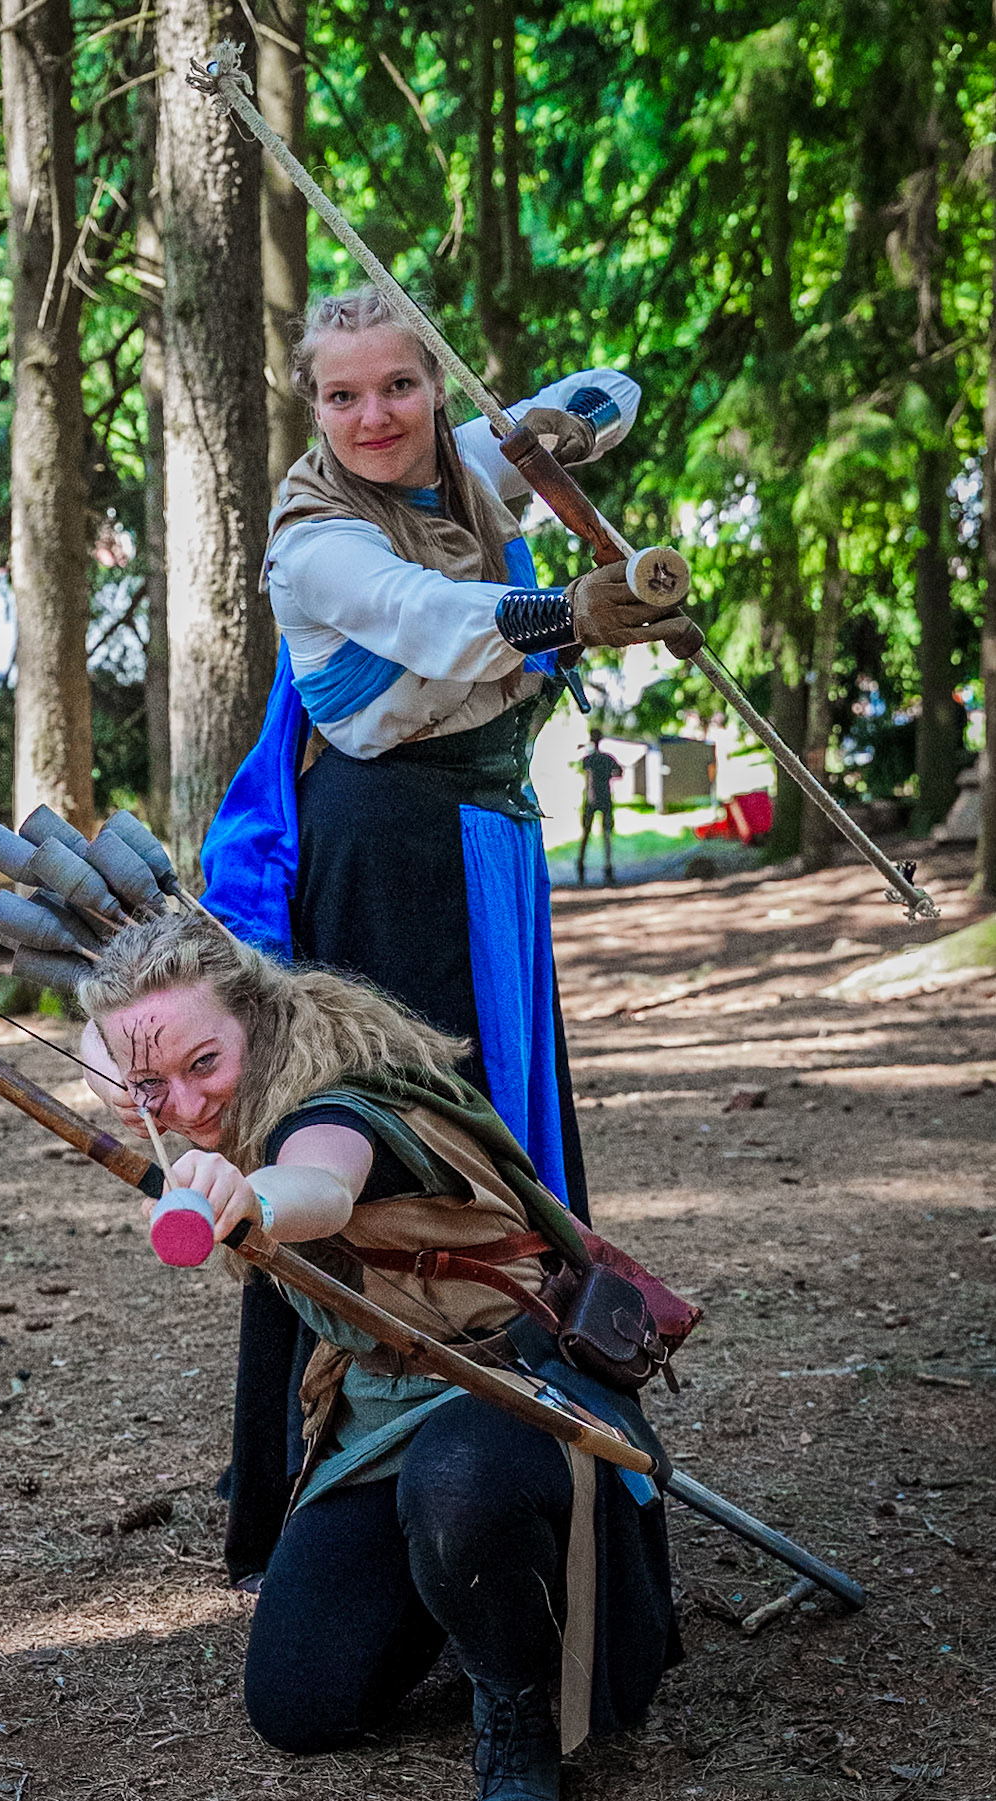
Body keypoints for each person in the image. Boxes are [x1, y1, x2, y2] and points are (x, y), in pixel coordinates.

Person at [199, 287, 697, 1578]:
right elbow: (434, 619)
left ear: (433, 386)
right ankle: (346, 1482)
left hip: (483, 846)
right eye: (342, 394)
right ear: (312, 407)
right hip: (384, 866)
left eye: (399, 386)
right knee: (394, 1138)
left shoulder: (464, 464)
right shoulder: (314, 540)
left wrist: (553, 431)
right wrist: (577, 611)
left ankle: (532, 1435)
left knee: (507, 1132)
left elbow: (610, 392)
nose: (373, 416)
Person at [81, 913, 682, 1801]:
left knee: (459, 1479)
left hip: (517, 1387)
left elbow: (321, 1182)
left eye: (205, 1064)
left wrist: (252, 1200)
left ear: (257, 1019)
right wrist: (121, 1067)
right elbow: (130, 1054)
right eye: (151, 1086)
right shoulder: (231, 1072)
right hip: (385, 1403)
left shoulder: (338, 1105)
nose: (184, 1105)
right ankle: (466, 1579)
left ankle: (517, 1714)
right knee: (302, 1706)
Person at [576, 726, 621, 886]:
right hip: (605, 798)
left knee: (586, 834)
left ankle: (581, 867)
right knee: (606, 834)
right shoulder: (608, 759)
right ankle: (608, 868)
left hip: (592, 799)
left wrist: (590, 797)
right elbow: (619, 772)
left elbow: (588, 778)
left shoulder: (588, 759)